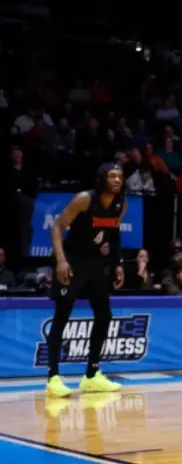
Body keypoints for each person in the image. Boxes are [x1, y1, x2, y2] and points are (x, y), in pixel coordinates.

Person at [44, 164, 126, 398]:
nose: (117, 180)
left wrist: (118, 263)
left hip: (96, 264)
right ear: (102, 178)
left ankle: (91, 375)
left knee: (105, 315)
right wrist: (60, 261)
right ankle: (53, 378)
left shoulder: (121, 203)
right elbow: (58, 226)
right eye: (112, 176)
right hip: (73, 262)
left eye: (120, 177)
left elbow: (115, 235)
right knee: (62, 316)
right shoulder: (84, 199)